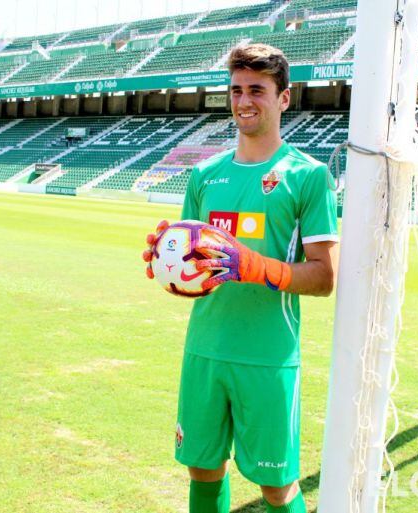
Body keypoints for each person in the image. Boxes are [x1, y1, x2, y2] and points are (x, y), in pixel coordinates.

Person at [143, 44, 339, 513]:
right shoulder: (204, 175)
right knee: (202, 468)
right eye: (236, 90)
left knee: (276, 486)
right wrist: (168, 264)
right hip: (205, 347)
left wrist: (256, 267)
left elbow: (324, 276)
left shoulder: (308, 176)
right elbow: (196, 263)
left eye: (257, 90)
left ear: (283, 98)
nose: (244, 101)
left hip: (268, 355)